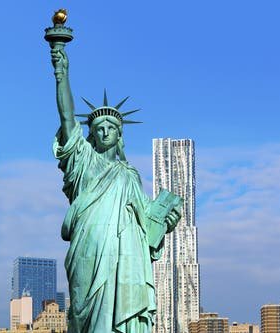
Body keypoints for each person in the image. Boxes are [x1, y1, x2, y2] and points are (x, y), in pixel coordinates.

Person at [51, 44, 182, 332]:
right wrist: (62, 74)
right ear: (91, 135)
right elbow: (67, 118)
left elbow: (147, 222)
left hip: (126, 257)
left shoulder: (129, 175)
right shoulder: (83, 161)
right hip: (88, 251)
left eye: (111, 127)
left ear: (119, 135)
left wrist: (167, 221)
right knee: (85, 317)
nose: (105, 131)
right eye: (99, 128)